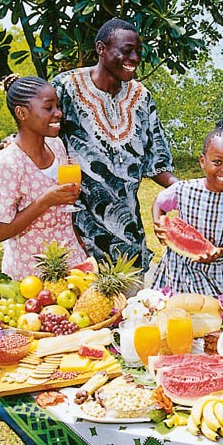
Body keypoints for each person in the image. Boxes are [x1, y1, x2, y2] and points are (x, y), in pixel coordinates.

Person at [51, 18, 179, 271]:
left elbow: (156, 161)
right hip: (78, 235)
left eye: (138, 52)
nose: (134, 58)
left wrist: (189, 191)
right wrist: (15, 143)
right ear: (101, 49)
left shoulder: (141, 97)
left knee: (132, 309)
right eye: (126, 50)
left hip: (128, 237)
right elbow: (40, 132)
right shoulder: (66, 87)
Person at [0, 74, 86, 280]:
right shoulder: (8, 163)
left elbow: (64, 211)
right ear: (22, 113)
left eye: (57, 106)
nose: (58, 113)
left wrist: (79, 242)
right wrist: (45, 201)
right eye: (49, 108)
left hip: (71, 264)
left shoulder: (56, 146)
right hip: (31, 275)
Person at [150, 121, 223, 296]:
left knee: (214, 317)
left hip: (215, 275)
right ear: (202, 161)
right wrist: (158, 223)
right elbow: (158, 202)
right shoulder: (184, 189)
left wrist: (220, 251)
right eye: (217, 162)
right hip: (176, 273)